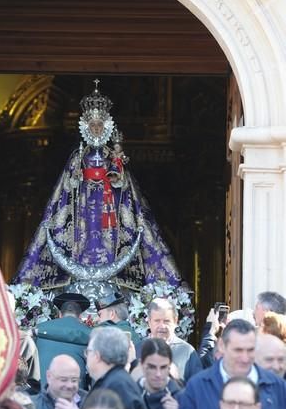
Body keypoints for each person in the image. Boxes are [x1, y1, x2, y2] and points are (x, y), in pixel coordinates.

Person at [12, 81, 182, 292]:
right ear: (85, 126)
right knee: (83, 233)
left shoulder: (112, 156)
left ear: (106, 127)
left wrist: (116, 172)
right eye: (92, 125)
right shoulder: (78, 156)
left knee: (111, 233)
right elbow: (67, 185)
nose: (95, 129)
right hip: (83, 205)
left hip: (108, 205)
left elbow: (122, 182)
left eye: (99, 125)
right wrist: (75, 178)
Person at [173, 319, 286, 409]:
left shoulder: (278, 387)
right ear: (221, 345)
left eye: (250, 350)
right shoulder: (198, 387)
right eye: (238, 350)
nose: (245, 358)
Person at [57, 327, 147, 409]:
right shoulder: (112, 381)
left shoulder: (119, 385)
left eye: (88, 352)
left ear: (97, 356)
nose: (86, 356)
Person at [36, 293, 91, 389]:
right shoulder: (90, 334)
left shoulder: (38, 329)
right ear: (80, 317)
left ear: (60, 315)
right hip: (74, 396)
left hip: (42, 392)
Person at [144, 298, 202, 382]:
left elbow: (197, 389)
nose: (162, 326)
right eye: (157, 321)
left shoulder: (187, 352)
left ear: (175, 321)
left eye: (166, 321)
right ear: (149, 322)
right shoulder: (138, 350)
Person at [137, 338, 183, 409]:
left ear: (169, 367)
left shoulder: (182, 399)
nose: (158, 374)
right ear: (141, 365)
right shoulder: (130, 395)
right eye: (152, 367)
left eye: (163, 367)